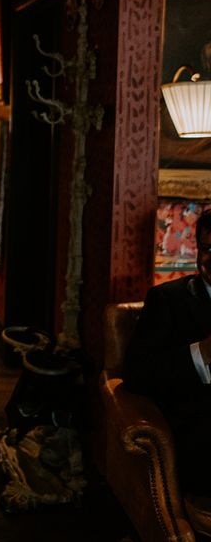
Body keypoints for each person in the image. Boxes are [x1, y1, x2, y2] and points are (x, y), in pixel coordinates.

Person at [123, 207, 211, 495]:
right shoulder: (168, 299)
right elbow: (136, 374)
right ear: (198, 250)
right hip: (199, 433)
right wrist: (201, 354)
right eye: (210, 248)